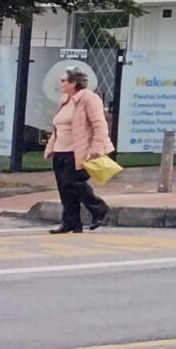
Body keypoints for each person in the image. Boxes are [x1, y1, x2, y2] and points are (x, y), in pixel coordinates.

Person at [46, 66, 112, 234]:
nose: (60, 84)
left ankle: (99, 208)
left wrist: (97, 148)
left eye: (63, 80)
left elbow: (99, 125)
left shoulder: (89, 99)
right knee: (64, 188)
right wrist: (51, 147)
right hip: (60, 151)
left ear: (74, 83)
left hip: (78, 151)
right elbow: (58, 126)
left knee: (74, 183)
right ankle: (71, 222)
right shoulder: (65, 99)